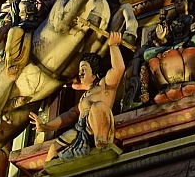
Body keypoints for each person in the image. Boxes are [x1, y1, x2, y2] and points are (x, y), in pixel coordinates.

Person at [28, 32, 125, 161]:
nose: (80, 74)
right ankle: (48, 169)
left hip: (98, 126)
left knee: (98, 106)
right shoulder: (84, 97)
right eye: (79, 71)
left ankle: (101, 144)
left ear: (94, 72)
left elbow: (118, 69)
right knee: (54, 148)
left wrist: (113, 46)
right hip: (81, 128)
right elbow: (69, 115)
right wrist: (45, 126)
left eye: (83, 69)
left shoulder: (104, 85)